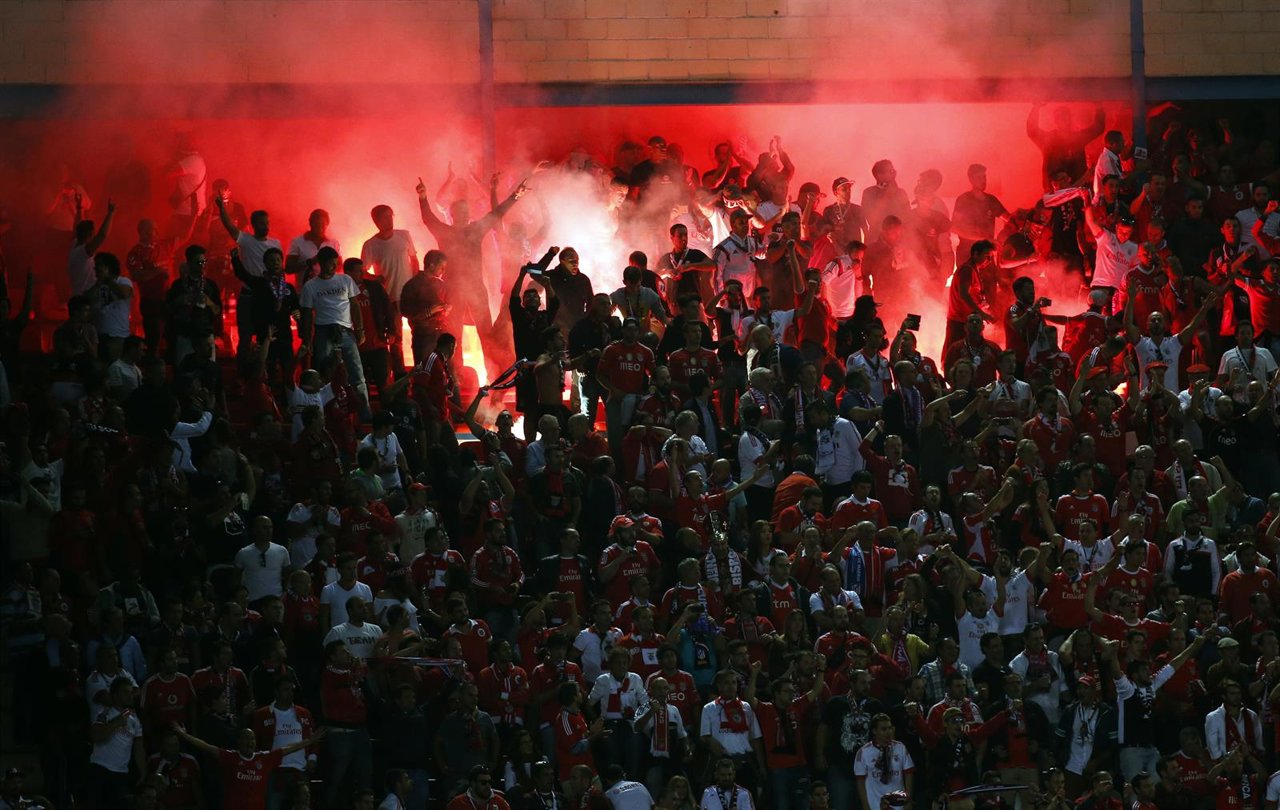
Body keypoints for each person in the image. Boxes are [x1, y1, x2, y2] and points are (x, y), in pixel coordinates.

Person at [300, 246, 371, 420]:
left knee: (357, 374)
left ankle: (365, 416)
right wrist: (308, 339)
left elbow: (354, 305)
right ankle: (326, 413)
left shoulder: (345, 280)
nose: (332, 267)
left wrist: (360, 329)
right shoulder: (311, 286)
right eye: (329, 264)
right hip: (323, 330)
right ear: (321, 263)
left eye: (334, 264)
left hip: (346, 330)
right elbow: (307, 314)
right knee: (324, 374)